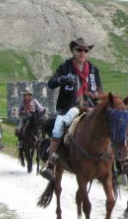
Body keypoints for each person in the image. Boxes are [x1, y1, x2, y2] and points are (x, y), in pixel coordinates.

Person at [40, 37, 103, 181]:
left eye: (85, 50)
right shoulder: (65, 67)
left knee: (107, 123)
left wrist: (96, 94)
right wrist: (61, 79)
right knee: (59, 125)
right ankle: (50, 164)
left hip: (90, 107)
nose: (82, 52)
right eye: (79, 50)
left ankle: (116, 162)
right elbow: (51, 83)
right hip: (70, 107)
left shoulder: (93, 70)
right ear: (73, 51)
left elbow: (100, 91)